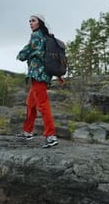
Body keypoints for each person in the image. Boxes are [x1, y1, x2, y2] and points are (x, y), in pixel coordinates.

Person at [16, 14, 65, 148]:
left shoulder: (36, 36)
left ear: (40, 23)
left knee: (42, 105)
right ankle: (27, 131)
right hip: (42, 75)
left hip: (38, 75)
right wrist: (59, 75)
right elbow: (50, 58)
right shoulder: (46, 37)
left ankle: (51, 136)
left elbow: (28, 51)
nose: (30, 23)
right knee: (30, 104)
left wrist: (21, 55)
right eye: (29, 21)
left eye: (33, 21)